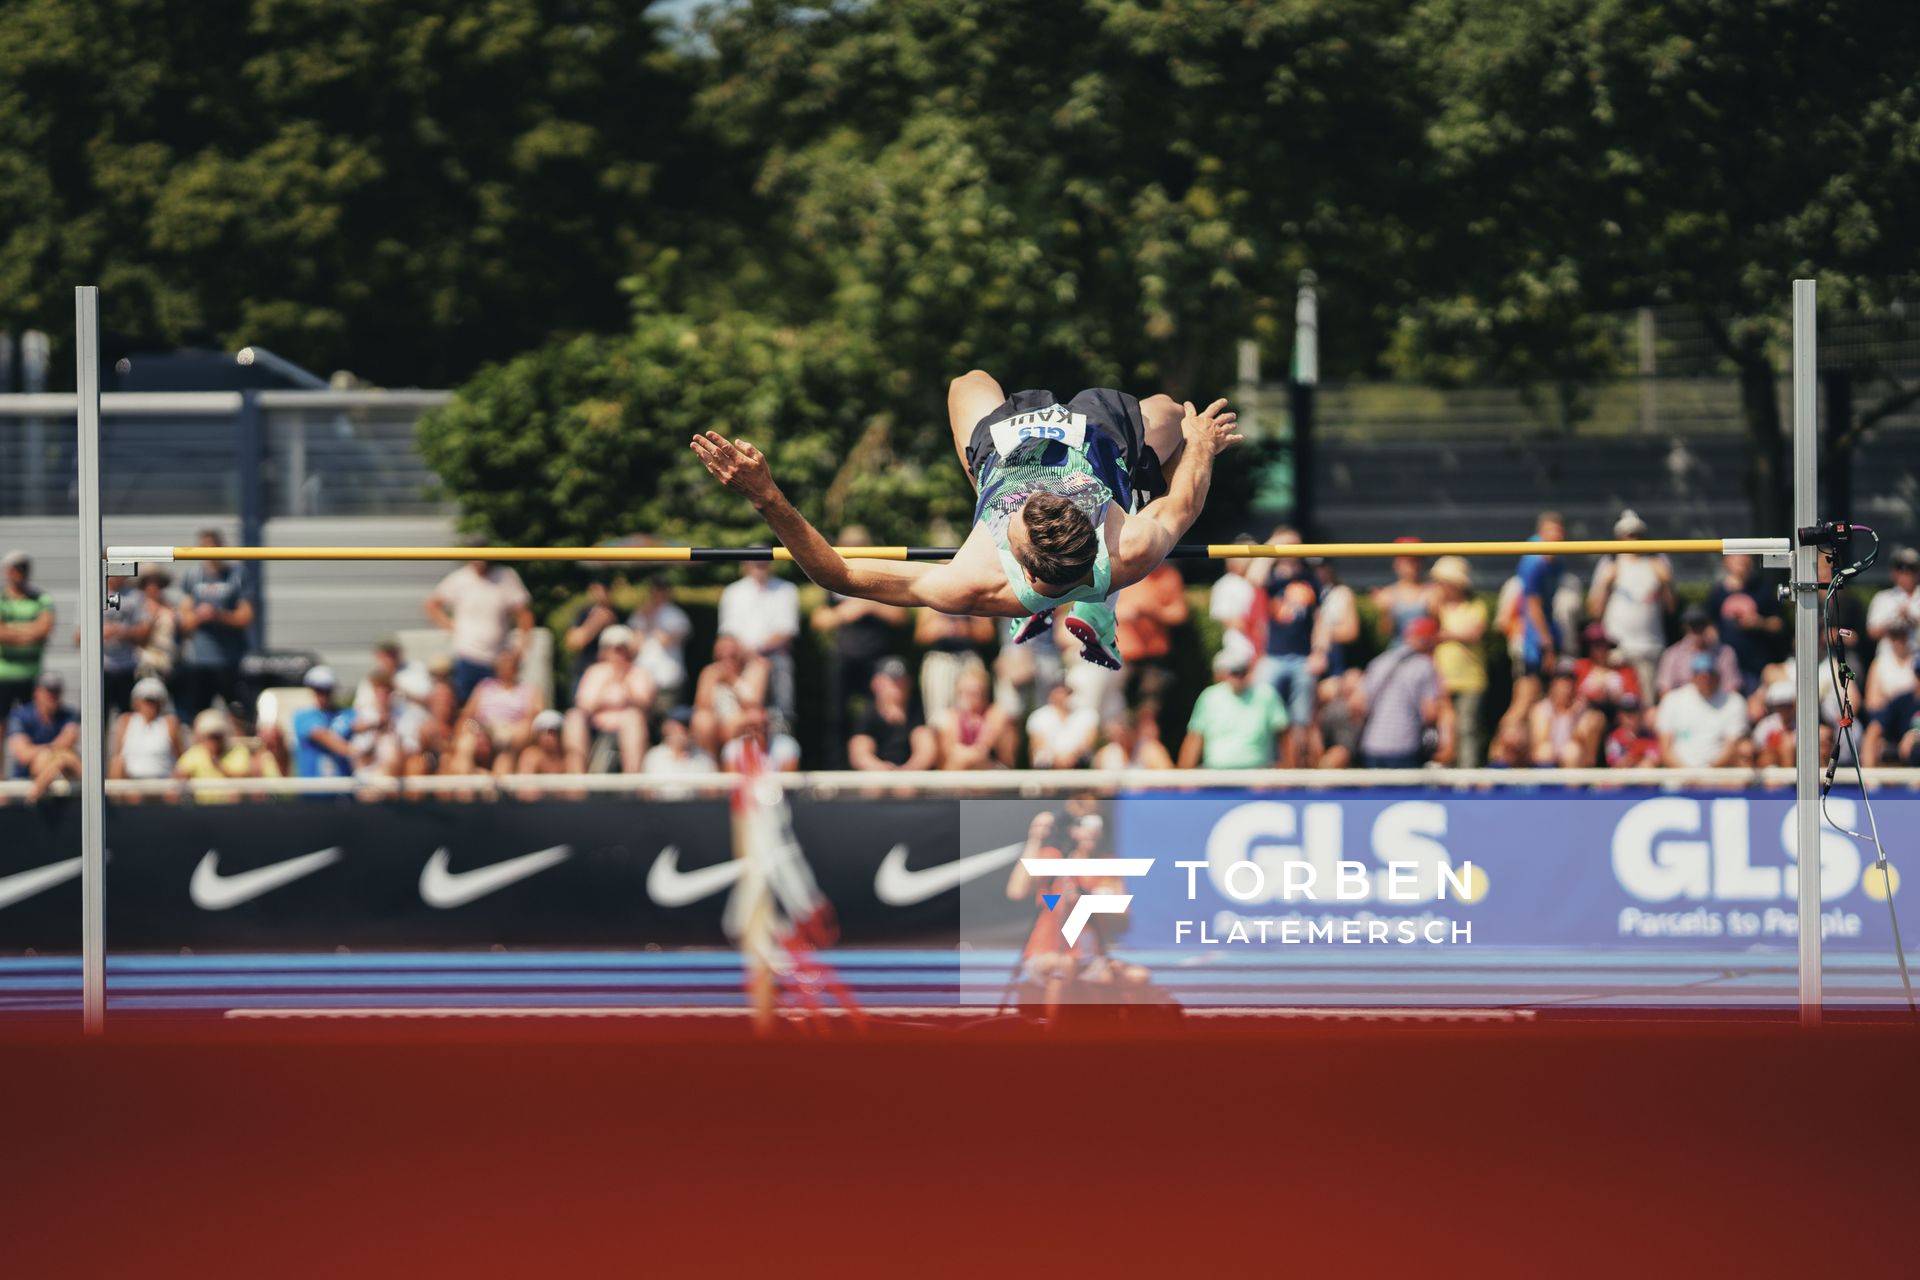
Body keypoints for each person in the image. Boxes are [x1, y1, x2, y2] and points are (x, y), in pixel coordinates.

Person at [690, 376, 1240, 676]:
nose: (1041, 496)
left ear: (1017, 558)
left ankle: (1081, 597)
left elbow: (836, 575)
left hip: (1006, 447)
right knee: (1167, 410)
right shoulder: (1130, 547)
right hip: (1098, 440)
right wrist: (1201, 444)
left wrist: (766, 498)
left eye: (1018, 514)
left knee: (966, 382)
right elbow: (1184, 503)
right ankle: (1104, 592)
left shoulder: (973, 581)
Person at [812, 527, 907, 764]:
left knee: (884, 713)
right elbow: (819, 619)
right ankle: (835, 770)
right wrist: (846, 613)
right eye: (848, 545)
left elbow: (901, 617)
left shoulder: (879, 573)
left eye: (859, 544)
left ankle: (886, 764)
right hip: (844, 656)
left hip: (877, 659)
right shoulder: (833, 575)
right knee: (836, 716)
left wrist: (870, 605)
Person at [424, 549, 534, 705]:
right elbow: (431, 605)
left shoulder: (505, 576)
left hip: (497, 658)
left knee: (497, 707)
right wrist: (452, 628)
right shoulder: (460, 578)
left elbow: (524, 614)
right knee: (465, 706)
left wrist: (522, 648)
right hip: (467, 655)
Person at [1587, 509, 1674, 694]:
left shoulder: (1658, 561)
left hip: (1649, 647)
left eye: (1637, 535)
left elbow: (1671, 608)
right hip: (1616, 649)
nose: (1633, 539)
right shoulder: (1609, 563)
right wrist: (1605, 584)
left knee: (1644, 704)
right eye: (1627, 535)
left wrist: (1666, 583)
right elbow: (1594, 612)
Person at [173, 530, 254, 720]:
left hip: (231, 661)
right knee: (199, 717)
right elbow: (184, 623)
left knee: (239, 716)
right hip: (200, 661)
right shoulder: (193, 577)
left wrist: (218, 615)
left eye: (212, 547)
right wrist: (200, 616)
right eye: (204, 548)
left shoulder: (236, 575)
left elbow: (246, 617)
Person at [1262, 529, 1325, 769]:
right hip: (1273, 656)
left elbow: (1319, 619)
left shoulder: (1310, 579)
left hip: (1302, 657)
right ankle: (1270, 764)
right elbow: (1253, 577)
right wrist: (1271, 545)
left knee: (1302, 718)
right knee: (1267, 714)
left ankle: (1299, 768)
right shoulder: (1272, 578)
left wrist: (1319, 651)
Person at [1353, 616, 1450, 769]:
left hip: (1372, 745)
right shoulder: (1424, 667)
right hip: (1405, 745)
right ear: (1429, 641)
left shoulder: (1379, 662)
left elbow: (1357, 704)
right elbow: (1429, 713)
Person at [1179, 636, 1287, 769]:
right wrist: (1184, 780)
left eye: (1242, 670)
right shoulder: (1209, 697)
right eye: (1234, 671)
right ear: (1224, 672)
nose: (1239, 676)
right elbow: (1194, 738)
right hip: (1215, 778)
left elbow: (1284, 736)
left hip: (1258, 779)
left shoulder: (1266, 695)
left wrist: (1286, 776)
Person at [718, 560, 801, 723]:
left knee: (781, 674)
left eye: (763, 563)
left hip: (775, 657)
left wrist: (757, 651)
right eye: (755, 563)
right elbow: (727, 632)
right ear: (746, 566)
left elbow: (787, 630)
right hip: (739, 658)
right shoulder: (732, 591)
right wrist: (745, 654)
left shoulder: (787, 590)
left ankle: (781, 724)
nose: (759, 567)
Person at [566, 624, 653, 774]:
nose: (618, 654)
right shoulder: (594, 672)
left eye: (622, 649)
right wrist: (605, 684)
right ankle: (576, 784)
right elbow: (585, 706)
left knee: (633, 718)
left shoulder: (640, 673)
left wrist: (625, 683)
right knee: (573, 718)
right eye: (613, 648)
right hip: (595, 726)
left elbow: (644, 705)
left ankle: (632, 782)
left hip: (628, 724)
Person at [1429, 556, 1487, 768]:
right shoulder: (1438, 607)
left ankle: (1467, 774)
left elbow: (1474, 633)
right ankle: (1446, 773)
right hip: (1441, 679)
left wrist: (1445, 634)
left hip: (1471, 680)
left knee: (1467, 728)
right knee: (1445, 732)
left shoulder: (1475, 605)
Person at [1657, 653, 1751, 768]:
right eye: (1700, 674)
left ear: (1718, 676)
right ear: (1692, 676)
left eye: (1710, 674)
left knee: (1745, 752)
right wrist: (1689, 775)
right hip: (1680, 778)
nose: (1706, 679)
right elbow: (1665, 749)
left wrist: (1706, 774)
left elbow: (1732, 747)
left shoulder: (1734, 702)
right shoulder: (1672, 700)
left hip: (1718, 777)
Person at [1707, 552, 1783, 695]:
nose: (1742, 561)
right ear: (1726, 561)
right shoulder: (1717, 593)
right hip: (1726, 669)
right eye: (1737, 557)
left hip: (1758, 667)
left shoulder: (1762, 590)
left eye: (1745, 557)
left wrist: (1759, 622)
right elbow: (1710, 627)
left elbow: (1778, 625)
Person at [459, 647, 543, 775]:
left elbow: (535, 717)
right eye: (503, 663)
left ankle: (496, 787)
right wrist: (474, 729)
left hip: (510, 732)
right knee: (465, 745)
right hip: (484, 729)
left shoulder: (528, 690)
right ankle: (465, 787)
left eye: (510, 663)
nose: (506, 667)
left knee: (505, 749)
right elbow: (467, 714)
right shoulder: (484, 686)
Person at [1114, 562, 1189, 705]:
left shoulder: (1168, 575)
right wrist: (1120, 613)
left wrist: (1153, 612)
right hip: (1122, 654)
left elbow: (1180, 614)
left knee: (1149, 709)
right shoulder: (1120, 573)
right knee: (1117, 708)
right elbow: (1097, 609)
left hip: (1154, 655)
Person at [848, 658, 938, 772]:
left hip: (911, 778)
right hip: (875, 777)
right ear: (876, 683)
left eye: (900, 680)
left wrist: (907, 772)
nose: (896, 686)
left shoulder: (918, 712)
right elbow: (859, 755)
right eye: (891, 681)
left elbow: (926, 751)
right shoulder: (868, 714)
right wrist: (882, 770)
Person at [173, 708, 278, 802]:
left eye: (217, 736)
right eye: (210, 736)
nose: (214, 741)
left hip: (232, 811)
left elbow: (242, 778)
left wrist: (219, 766)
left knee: (235, 791)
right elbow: (179, 775)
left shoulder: (238, 751)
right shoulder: (195, 753)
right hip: (200, 810)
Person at [691, 633, 769, 758]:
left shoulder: (753, 669)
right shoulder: (709, 672)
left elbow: (753, 703)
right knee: (702, 720)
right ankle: (712, 764)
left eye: (732, 652)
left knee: (753, 717)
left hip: (740, 719)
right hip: (717, 722)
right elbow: (702, 705)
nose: (727, 655)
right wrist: (712, 681)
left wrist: (732, 680)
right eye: (722, 651)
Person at [0, 550, 56, 721]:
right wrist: (31, 630)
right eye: (17, 568)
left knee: (33, 721)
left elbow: (44, 630)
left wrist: (12, 630)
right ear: (7, 571)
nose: (21, 573)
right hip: (4, 674)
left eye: (24, 568)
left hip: (32, 674)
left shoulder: (41, 598)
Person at [6, 672, 80, 801]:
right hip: (26, 777)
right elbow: (23, 755)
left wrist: (52, 755)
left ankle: (35, 793)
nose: (53, 696)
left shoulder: (69, 714)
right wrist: (55, 753)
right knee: (62, 758)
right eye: (49, 691)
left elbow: (69, 740)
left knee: (63, 758)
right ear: (37, 693)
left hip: (52, 781)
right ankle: (100, 801)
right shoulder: (21, 715)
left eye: (56, 691)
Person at [914, 608, 994, 725]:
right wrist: (940, 629)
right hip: (940, 660)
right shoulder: (933, 594)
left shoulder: (973, 592)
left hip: (969, 658)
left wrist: (966, 629)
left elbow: (988, 632)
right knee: (938, 719)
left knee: (975, 714)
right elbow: (919, 635)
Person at [630, 577, 693, 712]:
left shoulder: (677, 615)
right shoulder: (640, 615)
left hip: (668, 681)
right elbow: (634, 646)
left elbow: (666, 640)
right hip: (643, 682)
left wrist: (651, 619)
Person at [935, 663, 1012, 770]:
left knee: (966, 762)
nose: (969, 696)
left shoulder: (996, 713)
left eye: (975, 692)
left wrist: (964, 753)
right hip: (959, 768)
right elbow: (949, 751)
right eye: (965, 692)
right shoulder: (950, 716)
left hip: (990, 768)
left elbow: (981, 750)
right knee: (957, 763)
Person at [108, 677, 183, 785]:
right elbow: (118, 755)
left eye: (154, 701)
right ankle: (115, 801)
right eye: (147, 700)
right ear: (136, 701)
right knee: (116, 764)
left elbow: (180, 757)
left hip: (163, 782)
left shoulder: (169, 723)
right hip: (132, 783)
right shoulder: (125, 721)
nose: (150, 705)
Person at [1656, 605, 1742, 695]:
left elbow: (1733, 689)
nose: (1696, 629)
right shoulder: (1671, 654)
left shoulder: (1726, 652)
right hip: (1683, 705)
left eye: (1700, 624)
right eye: (1692, 624)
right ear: (1685, 627)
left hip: (1716, 705)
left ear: (1709, 625)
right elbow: (1664, 691)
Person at [290, 667, 358, 780]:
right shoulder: (303, 717)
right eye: (319, 690)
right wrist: (355, 751)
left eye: (327, 690)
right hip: (314, 792)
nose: (323, 695)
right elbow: (325, 737)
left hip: (343, 791)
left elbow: (364, 724)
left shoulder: (348, 714)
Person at [563, 579, 622, 697]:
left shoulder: (619, 614)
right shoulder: (583, 614)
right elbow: (573, 643)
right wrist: (595, 624)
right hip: (585, 670)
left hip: (613, 674)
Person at [1529, 660, 1593, 769]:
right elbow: (1539, 741)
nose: (1565, 686)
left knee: (1572, 752)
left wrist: (1572, 716)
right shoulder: (1541, 709)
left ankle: (1572, 786)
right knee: (1545, 750)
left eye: (1569, 680)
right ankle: (1546, 785)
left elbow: (1581, 741)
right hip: (1550, 754)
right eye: (1560, 680)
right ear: (1552, 684)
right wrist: (1555, 714)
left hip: (1572, 757)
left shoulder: (1582, 710)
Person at [100, 573, 148, 715]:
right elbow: (78, 636)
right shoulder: (92, 591)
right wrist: (99, 632)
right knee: (97, 717)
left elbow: (144, 633)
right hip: (102, 669)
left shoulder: (135, 596)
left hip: (127, 668)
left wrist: (121, 632)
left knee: (129, 718)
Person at [1026, 680, 1101, 769]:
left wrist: (1071, 757)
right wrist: (1057, 758)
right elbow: (1038, 744)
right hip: (1048, 764)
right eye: (1058, 692)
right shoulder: (1038, 716)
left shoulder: (1087, 714)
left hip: (1079, 761)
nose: (1062, 696)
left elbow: (1089, 741)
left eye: (1065, 692)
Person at [1866, 547, 1920, 668]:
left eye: (1912, 568)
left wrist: (1912, 617)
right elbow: (1872, 632)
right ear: (1894, 572)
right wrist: (1893, 621)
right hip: (1888, 660)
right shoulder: (1883, 598)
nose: (1907, 574)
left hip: (1917, 659)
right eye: (1901, 568)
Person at [1371, 539, 1429, 648]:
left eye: (1416, 560)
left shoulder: (1433, 592)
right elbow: (1382, 634)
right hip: (1398, 654)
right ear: (1397, 563)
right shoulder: (1386, 595)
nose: (1413, 566)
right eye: (1408, 561)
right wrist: (1385, 613)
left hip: (1426, 656)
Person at [720, 706, 801, 773]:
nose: (759, 731)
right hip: (746, 791)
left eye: (763, 725)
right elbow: (732, 785)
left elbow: (787, 784)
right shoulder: (732, 749)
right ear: (744, 728)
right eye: (752, 726)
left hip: (776, 791)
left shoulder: (787, 746)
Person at [643, 706, 718, 775]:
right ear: (667, 728)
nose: (681, 733)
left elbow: (711, 788)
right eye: (676, 728)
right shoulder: (654, 757)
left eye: (686, 728)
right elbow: (646, 788)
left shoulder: (705, 760)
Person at [1094, 710, 1175, 770]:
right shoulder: (1105, 754)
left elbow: (1168, 780)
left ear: (1136, 732)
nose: (1124, 739)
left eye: (1128, 733)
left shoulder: (1150, 749)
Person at [1749, 680, 1800, 769]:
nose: (1784, 709)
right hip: (1769, 768)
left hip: (1796, 767)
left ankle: (1787, 781)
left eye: (1787, 705)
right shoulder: (1765, 725)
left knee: (1787, 746)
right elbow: (1756, 749)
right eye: (1780, 705)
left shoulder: (1801, 726)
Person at [1603, 692, 1661, 767]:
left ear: (1640, 714)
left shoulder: (1650, 736)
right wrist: (1635, 755)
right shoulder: (1614, 738)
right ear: (1619, 716)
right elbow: (1616, 765)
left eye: (1633, 712)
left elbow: (1655, 758)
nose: (1629, 717)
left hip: (1644, 775)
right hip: (1623, 776)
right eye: (1625, 712)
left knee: (1647, 765)